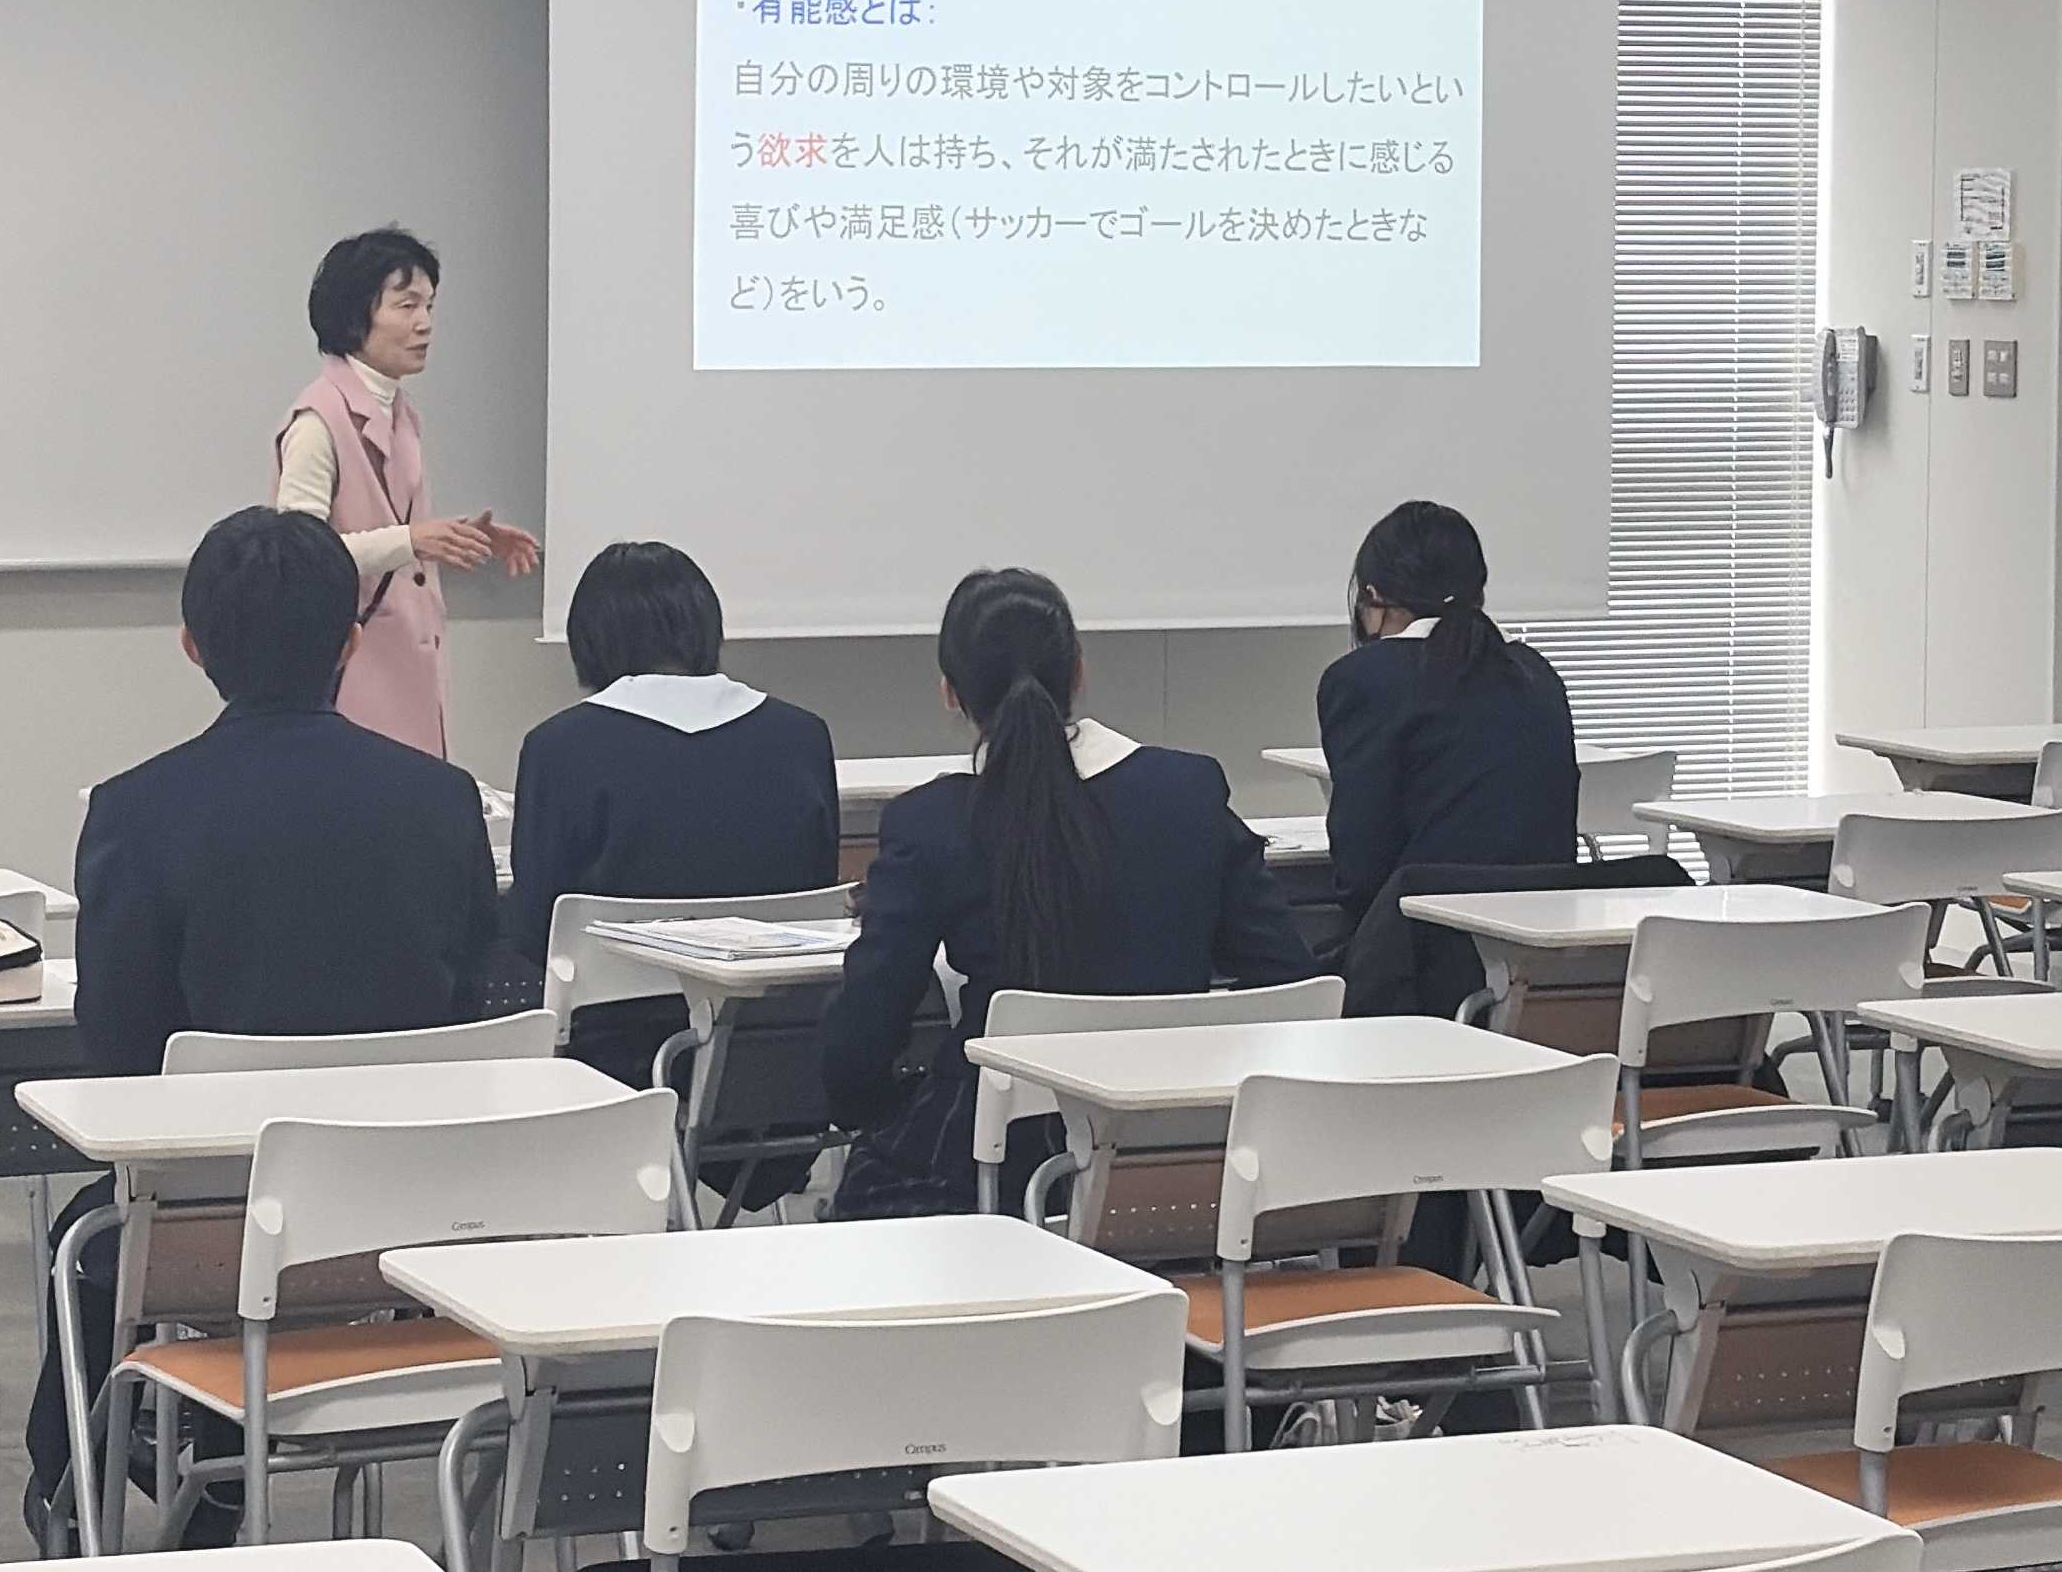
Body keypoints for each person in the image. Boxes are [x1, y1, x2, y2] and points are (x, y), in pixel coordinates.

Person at [25, 507, 501, 1542]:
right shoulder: (442, 800)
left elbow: (118, 1055)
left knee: (88, 1231)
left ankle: (82, 1496)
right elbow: (472, 1008)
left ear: (192, 645)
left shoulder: (135, 810)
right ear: (349, 641)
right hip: (415, 1225)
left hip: (202, 1239)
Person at [822, 567, 1313, 1217]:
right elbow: (1286, 980)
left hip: (989, 1172)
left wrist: (885, 1104)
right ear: (1078, 672)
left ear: (949, 692)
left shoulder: (931, 822)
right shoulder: (1188, 792)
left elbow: (859, 1046)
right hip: (1176, 1171)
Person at [506, 540, 839, 1078]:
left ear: (589, 639)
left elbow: (534, 931)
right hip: (773, 1053)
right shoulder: (801, 737)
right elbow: (815, 893)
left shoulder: (559, 747)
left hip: (609, 1063)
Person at [274, 224, 539, 758]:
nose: (425, 324)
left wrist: (457, 536)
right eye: (407, 305)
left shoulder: (400, 411)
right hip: (351, 674)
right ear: (355, 316)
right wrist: (412, 540)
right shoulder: (317, 421)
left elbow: (391, 525)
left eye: (430, 306)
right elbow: (298, 556)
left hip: (404, 666)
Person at [1319, 500, 1580, 929]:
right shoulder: (1536, 673)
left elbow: (1360, 872)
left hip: (1419, 945)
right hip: (1546, 941)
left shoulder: (1363, 679)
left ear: (1374, 597)